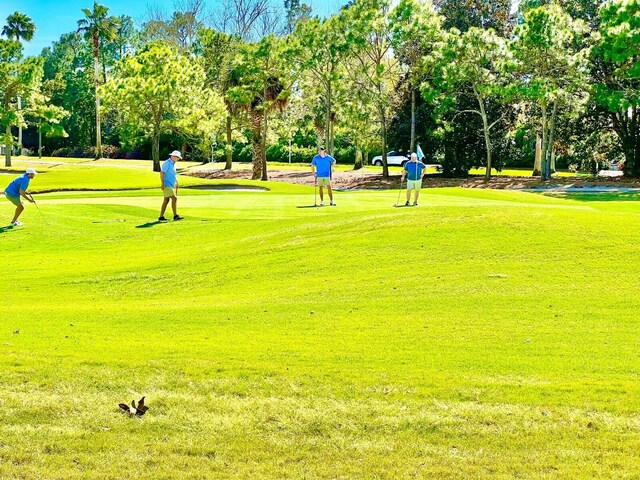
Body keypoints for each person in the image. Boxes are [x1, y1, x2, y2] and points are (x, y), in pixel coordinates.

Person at [159, 150, 184, 222]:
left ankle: (161, 217)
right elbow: (162, 173)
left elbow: (173, 174)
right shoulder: (167, 163)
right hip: (167, 184)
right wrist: (162, 183)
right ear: (173, 156)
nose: (178, 159)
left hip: (171, 184)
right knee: (174, 198)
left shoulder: (173, 164)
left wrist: (176, 182)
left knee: (166, 200)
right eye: (177, 157)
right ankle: (175, 216)